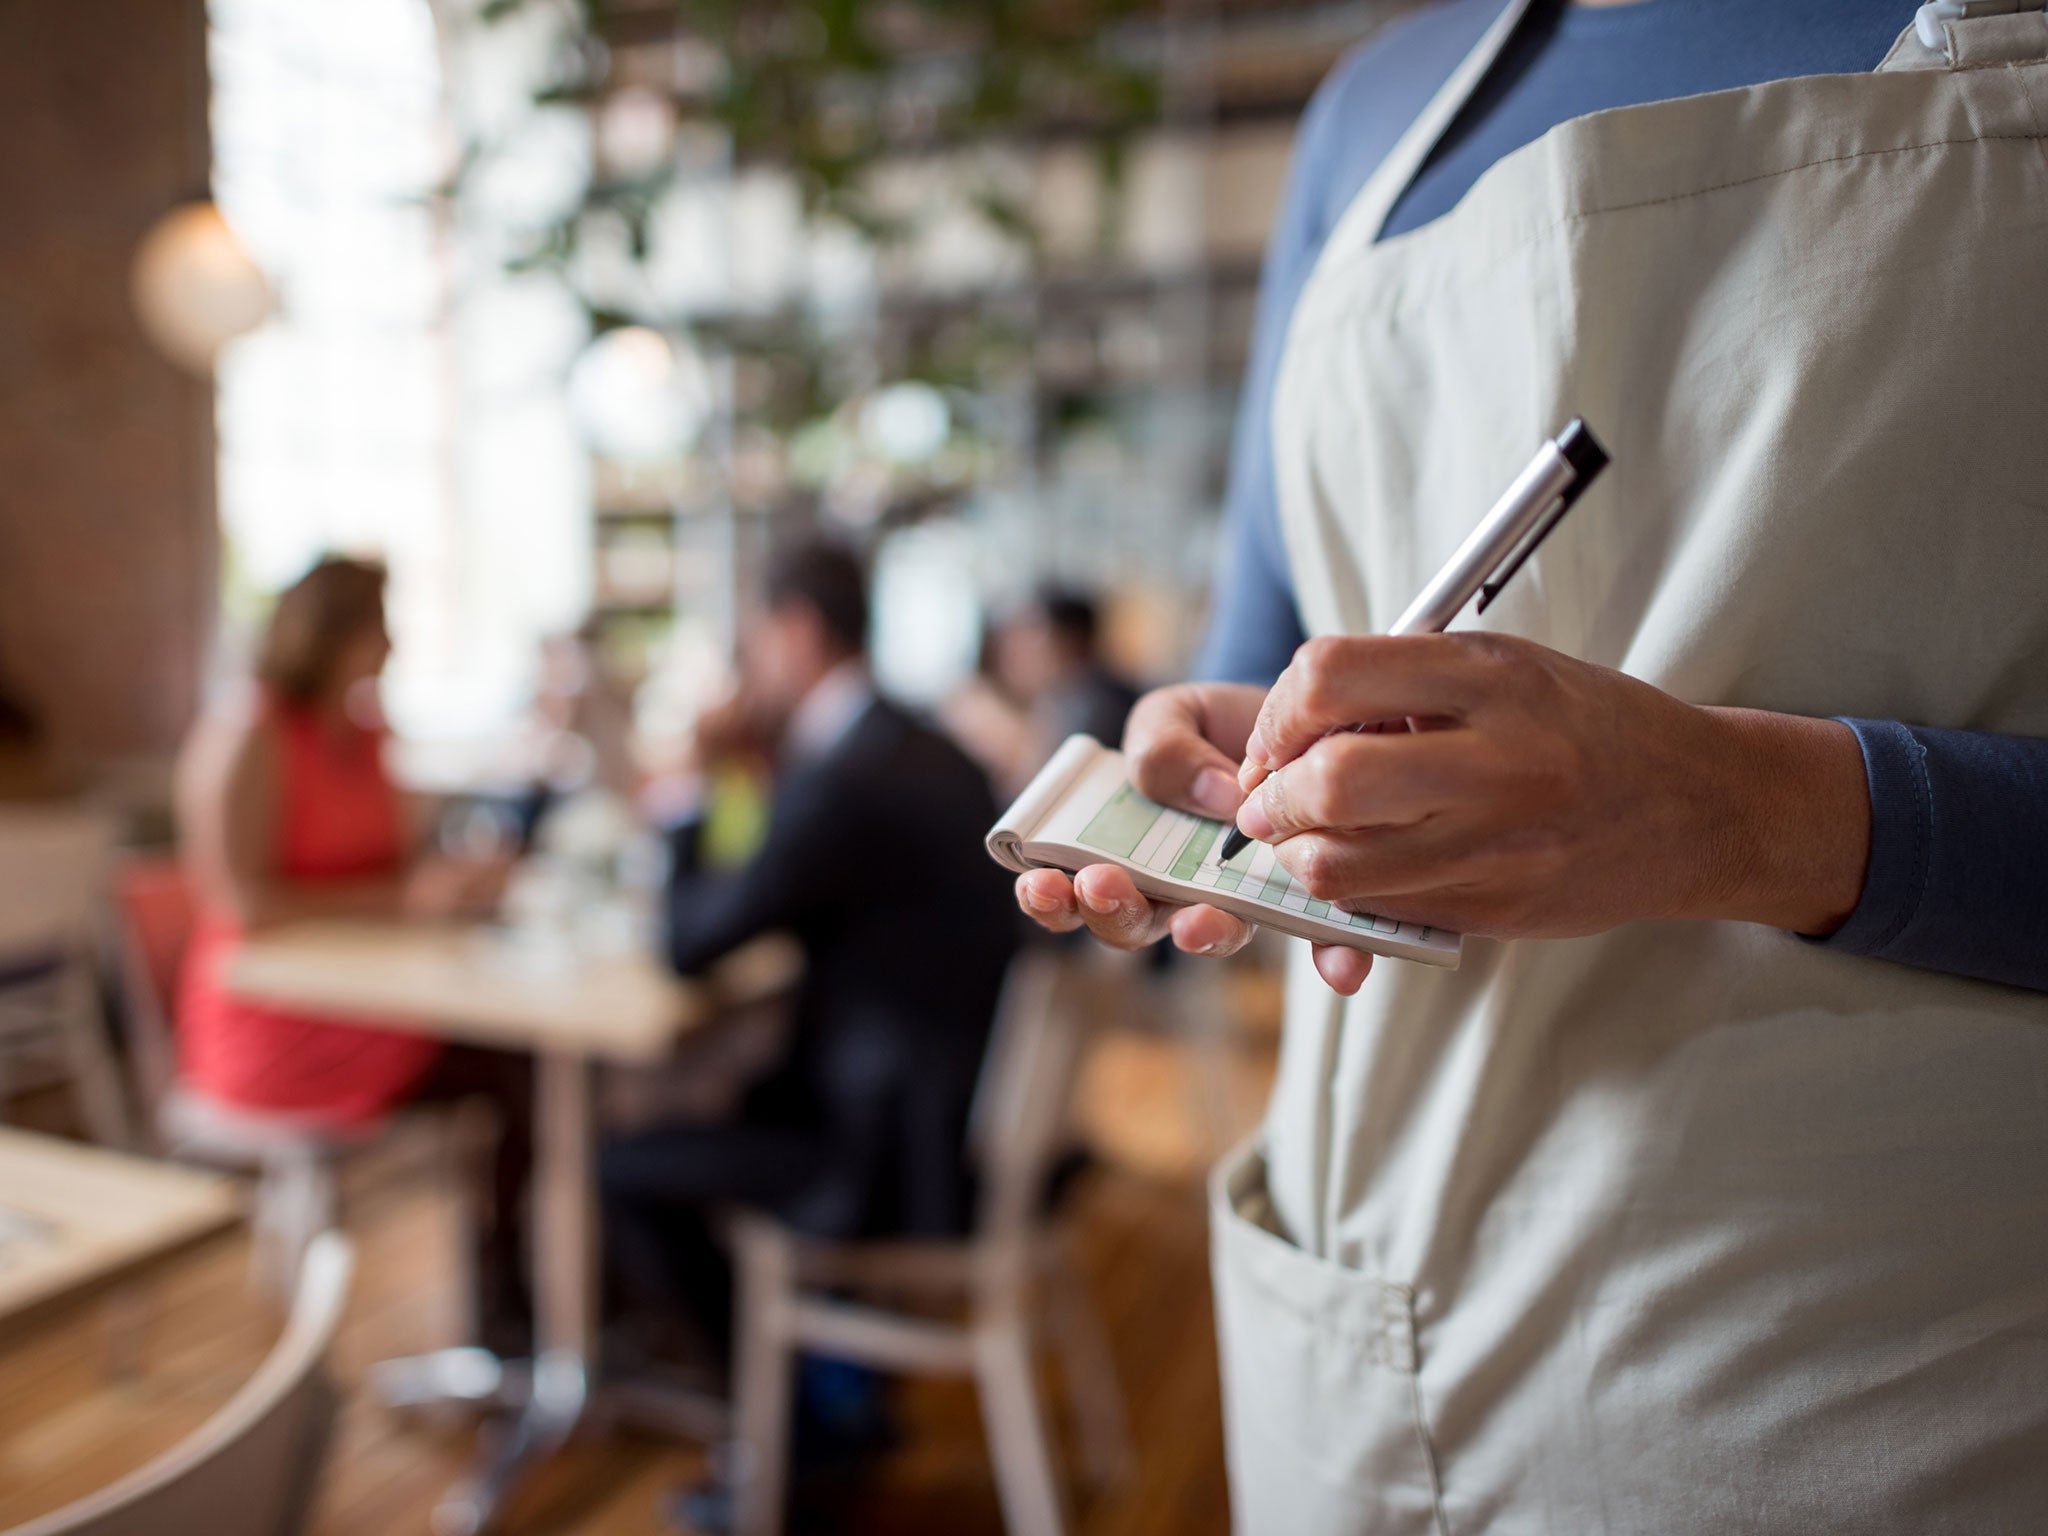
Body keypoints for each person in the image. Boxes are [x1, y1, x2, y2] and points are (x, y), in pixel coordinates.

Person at [1018, 3, 2048, 1532]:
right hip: (1364, 1333)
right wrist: (1225, 747)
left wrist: (1746, 814)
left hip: (1878, 1385)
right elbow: (1281, 640)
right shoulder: (1364, 119)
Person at [601, 539, 1018, 1364]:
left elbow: (691, 943)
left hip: (883, 1155)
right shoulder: (924, 746)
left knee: (621, 1164)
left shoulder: (843, 776)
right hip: (956, 1118)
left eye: (754, 643)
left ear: (796, 631)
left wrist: (690, 782)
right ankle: (806, 1390)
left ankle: (782, 1431)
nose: (749, 667)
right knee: (719, 1095)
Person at [176, 556, 534, 1347]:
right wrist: (400, 901)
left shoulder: (369, 733)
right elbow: (241, 903)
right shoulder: (251, 734)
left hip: (370, 999)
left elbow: (399, 871)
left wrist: (453, 886)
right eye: (378, 623)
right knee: (517, 1076)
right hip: (274, 1021)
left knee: (526, 1063)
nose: (392, 643)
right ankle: (511, 1312)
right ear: (329, 633)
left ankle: (527, 1304)